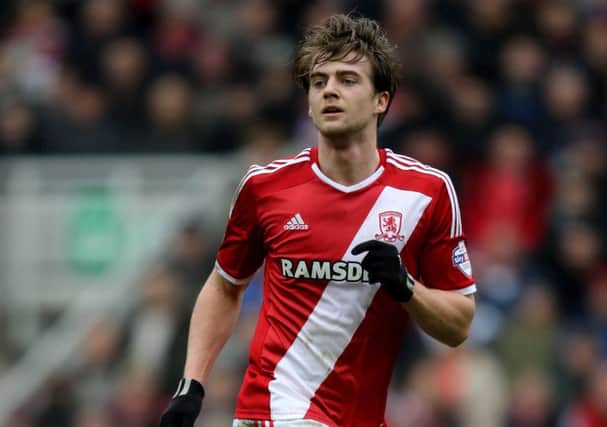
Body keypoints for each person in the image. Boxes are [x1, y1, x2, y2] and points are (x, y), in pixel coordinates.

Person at [159, 14, 476, 427]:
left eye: (347, 79)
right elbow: (225, 286)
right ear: (308, 103)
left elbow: (459, 325)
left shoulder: (426, 193)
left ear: (382, 99)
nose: (329, 90)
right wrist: (192, 384)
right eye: (319, 81)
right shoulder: (265, 187)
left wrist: (405, 287)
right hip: (274, 408)